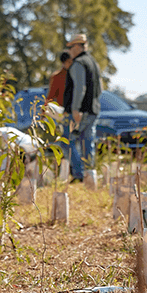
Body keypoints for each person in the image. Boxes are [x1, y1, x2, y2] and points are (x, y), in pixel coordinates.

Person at [63, 33, 102, 183]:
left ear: (78, 46)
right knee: (87, 142)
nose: (70, 51)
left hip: (79, 111)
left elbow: (80, 88)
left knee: (67, 141)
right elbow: (100, 88)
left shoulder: (78, 63)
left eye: (71, 47)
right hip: (93, 110)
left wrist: (75, 109)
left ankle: (78, 174)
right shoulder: (93, 63)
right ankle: (90, 176)